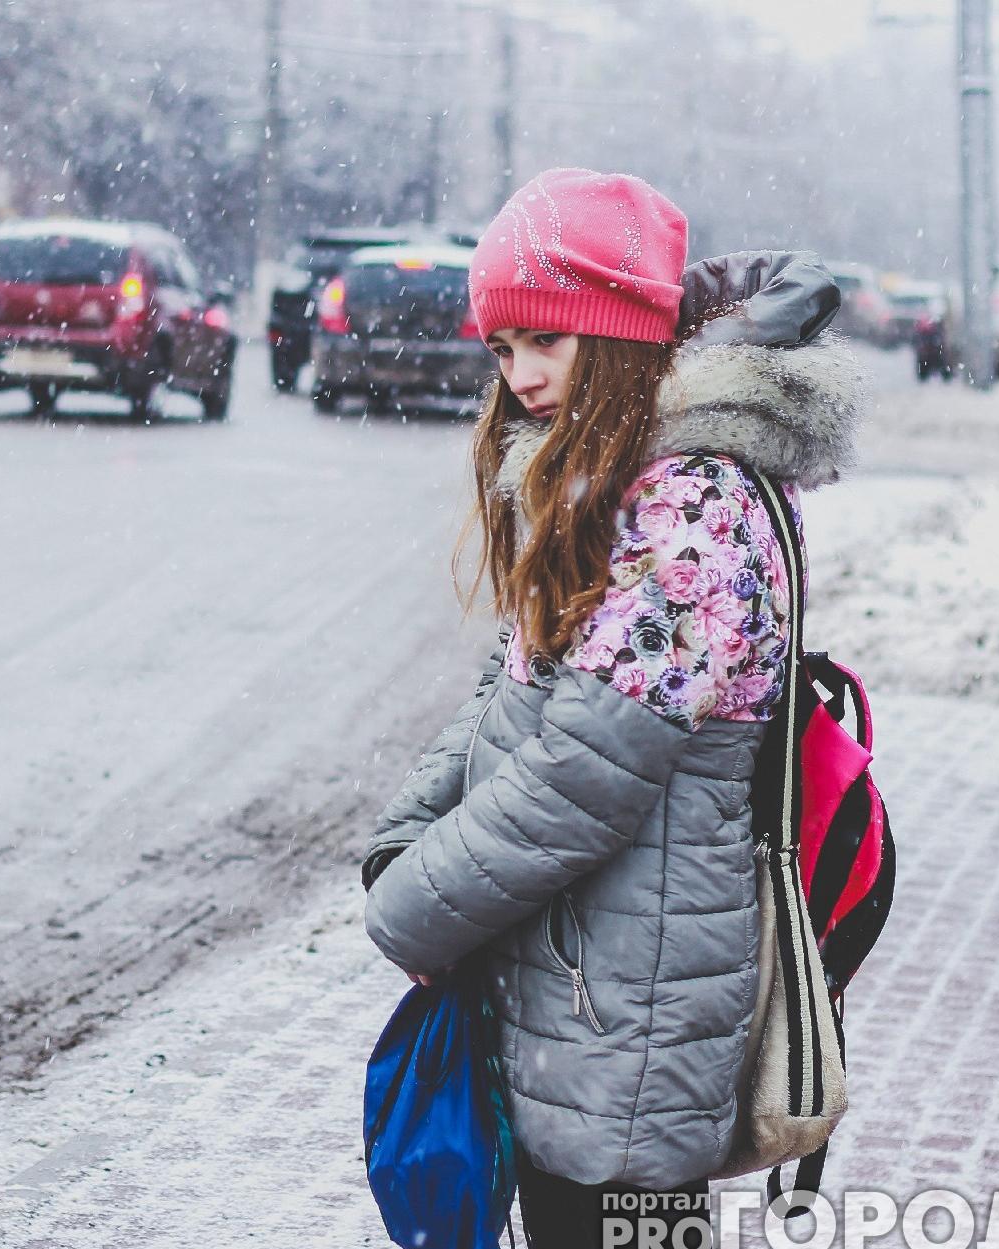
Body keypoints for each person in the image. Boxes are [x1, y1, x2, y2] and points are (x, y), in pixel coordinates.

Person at [360, 168, 866, 1249]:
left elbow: (578, 779)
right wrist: (405, 835)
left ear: (617, 330)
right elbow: (519, 683)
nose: (521, 377)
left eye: (544, 340)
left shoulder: (691, 508)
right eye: (500, 350)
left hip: (635, 1017)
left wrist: (408, 909)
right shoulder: (625, 480)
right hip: (590, 989)